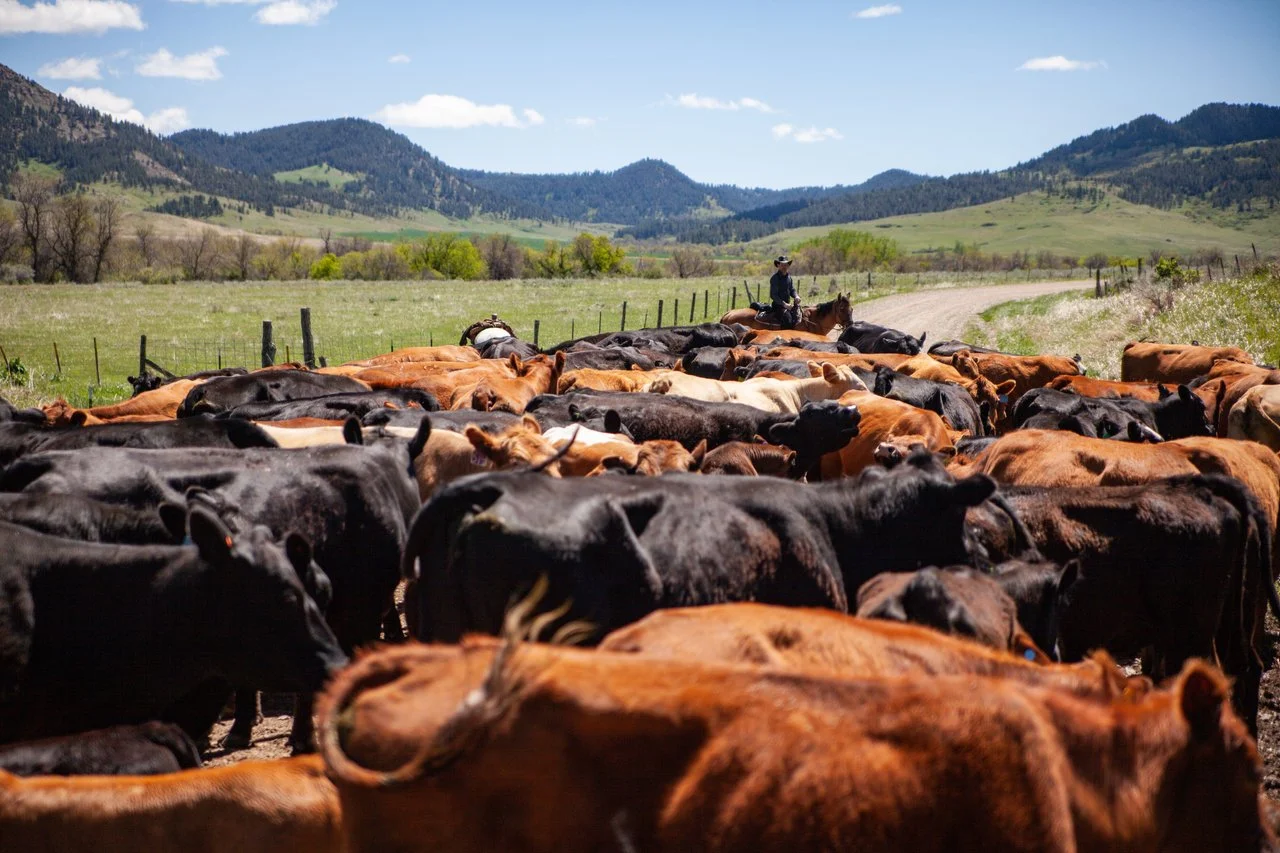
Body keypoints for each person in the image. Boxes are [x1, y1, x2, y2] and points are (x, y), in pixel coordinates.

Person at [753, 255, 800, 327]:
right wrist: (784, 304)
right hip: (778, 306)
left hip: (788, 305)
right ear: (778, 265)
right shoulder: (775, 278)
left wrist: (796, 296)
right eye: (782, 264)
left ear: (788, 265)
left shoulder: (789, 277)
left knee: (799, 317)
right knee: (788, 321)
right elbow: (773, 295)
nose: (784, 267)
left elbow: (792, 289)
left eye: (786, 264)